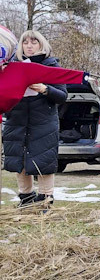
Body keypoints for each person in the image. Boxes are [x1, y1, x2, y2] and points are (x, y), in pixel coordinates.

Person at [3, 30, 69, 210]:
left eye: (34, 42)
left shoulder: (51, 66)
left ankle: (46, 200)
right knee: (19, 160)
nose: (29, 46)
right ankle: (25, 198)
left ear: (41, 44)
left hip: (43, 123)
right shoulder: (11, 65)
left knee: (43, 160)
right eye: (26, 43)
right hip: (17, 120)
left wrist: (44, 88)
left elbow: (62, 96)